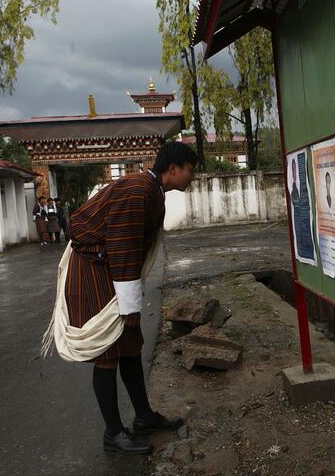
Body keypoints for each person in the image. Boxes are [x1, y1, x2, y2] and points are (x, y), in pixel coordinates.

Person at [63, 141, 197, 454]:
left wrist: (131, 306)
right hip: (94, 269)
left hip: (112, 268)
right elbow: (123, 247)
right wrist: (129, 305)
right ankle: (113, 432)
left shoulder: (152, 191)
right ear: (173, 169)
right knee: (109, 349)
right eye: (190, 170)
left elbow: (132, 248)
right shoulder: (139, 190)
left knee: (131, 344)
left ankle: (144, 417)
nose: (192, 176)